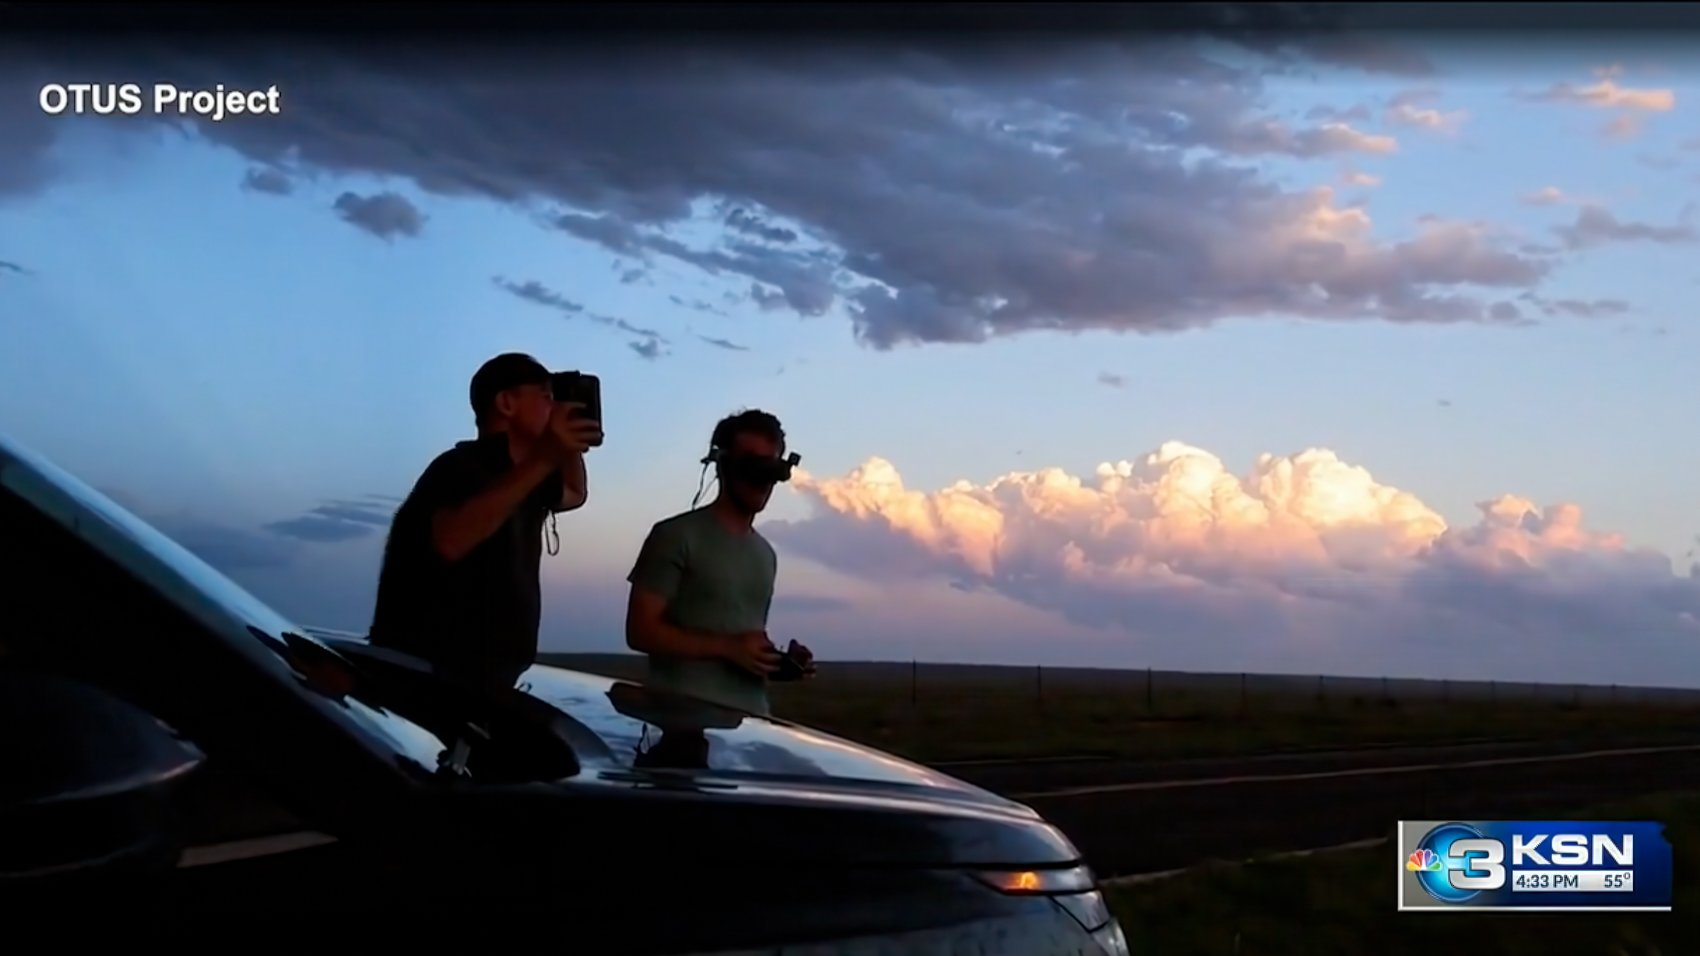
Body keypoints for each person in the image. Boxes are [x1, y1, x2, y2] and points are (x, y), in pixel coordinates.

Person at [368, 352, 602, 692]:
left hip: (488, 681)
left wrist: (568, 445)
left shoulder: (524, 474)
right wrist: (548, 454)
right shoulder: (459, 467)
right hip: (426, 681)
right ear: (506, 403)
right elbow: (451, 541)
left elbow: (573, 493)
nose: (554, 409)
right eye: (546, 397)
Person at [624, 409, 815, 717]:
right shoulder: (674, 536)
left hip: (751, 724)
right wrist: (729, 648)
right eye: (752, 465)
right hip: (682, 726)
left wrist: (777, 663)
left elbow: (740, 638)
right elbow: (640, 631)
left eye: (771, 467)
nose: (762, 479)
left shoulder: (765, 554)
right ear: (722, 465)